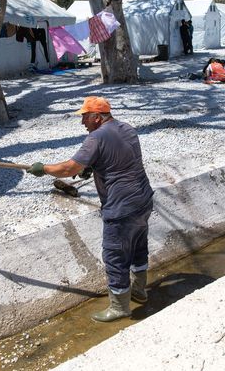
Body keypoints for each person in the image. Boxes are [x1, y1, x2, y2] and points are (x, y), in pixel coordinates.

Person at [26, 96, 154, 322]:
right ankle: (139, 291)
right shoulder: (127, 129)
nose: (82, 122)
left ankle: (119, 307)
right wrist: (92, 166)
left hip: (121, 207)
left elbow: (68, 168)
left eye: (85, 117)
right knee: (137, 246)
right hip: (143, 199)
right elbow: (119, 158)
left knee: (115, 255)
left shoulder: (96, 137)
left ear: (97, 117)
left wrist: (43, 168)